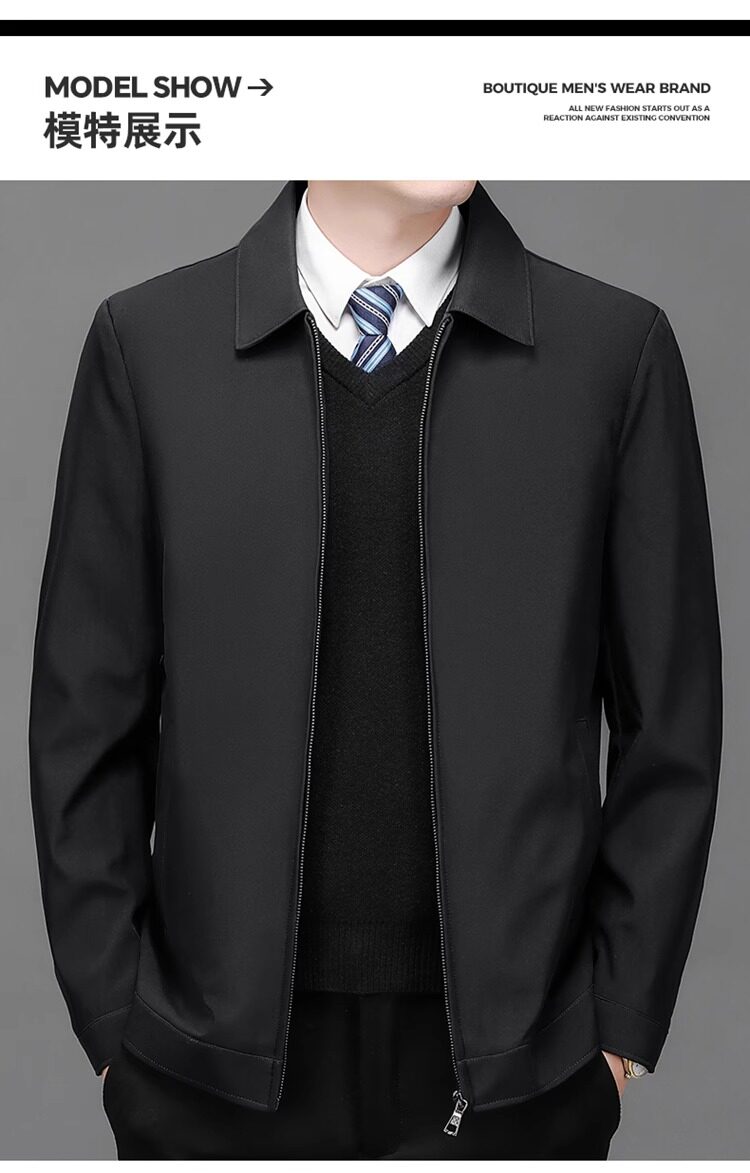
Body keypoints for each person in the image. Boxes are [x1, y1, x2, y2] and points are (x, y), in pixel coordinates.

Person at [29, 180, 722, 1159]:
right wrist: (118, 1029)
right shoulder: (149, 346)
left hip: (518, 1075)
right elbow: (83, 722)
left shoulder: (611, 352)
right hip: (209, 1075)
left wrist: (614, 1034)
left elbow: (673, 725)